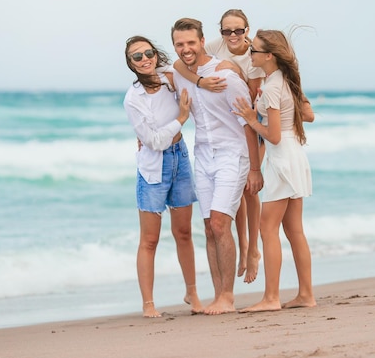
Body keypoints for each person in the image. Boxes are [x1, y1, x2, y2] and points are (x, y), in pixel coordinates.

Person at [170, 17, 263, 315]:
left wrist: (255, 168)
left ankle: (227, 296)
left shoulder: (226, 75)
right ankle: (217, 295)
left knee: (221, 223)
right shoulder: (181, 74)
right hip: (203, 155)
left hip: (232, 154)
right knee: (209, 227)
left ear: (202, 41)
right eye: (179, 44)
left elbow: (248, 124)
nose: (186, 49)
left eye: (190, 43)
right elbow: (158, 88)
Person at [233, 29, 317, 312]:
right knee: (295, 231)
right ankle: (306, 295)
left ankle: (271, 298)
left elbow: (274, 135)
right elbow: (309, 115)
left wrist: (250, 117)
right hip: (296, 156)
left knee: (266, 228)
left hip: (282, 159)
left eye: (254, 50)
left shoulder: (272, 87)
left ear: (268, 56)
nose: (250, 53)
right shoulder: (285, 81)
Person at [123, 35, 203, 318]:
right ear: (130, 64)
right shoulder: (134, 99)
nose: (145, 59)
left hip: (180, 158)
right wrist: (180, 119)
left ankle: (192, 292)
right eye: (137, 57)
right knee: (149, 240)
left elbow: (196, 73)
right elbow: (154, 142)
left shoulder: (172, 78)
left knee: (184, 233)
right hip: (152, 167)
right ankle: (148, 305)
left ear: (155, 54)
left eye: (148, 53)